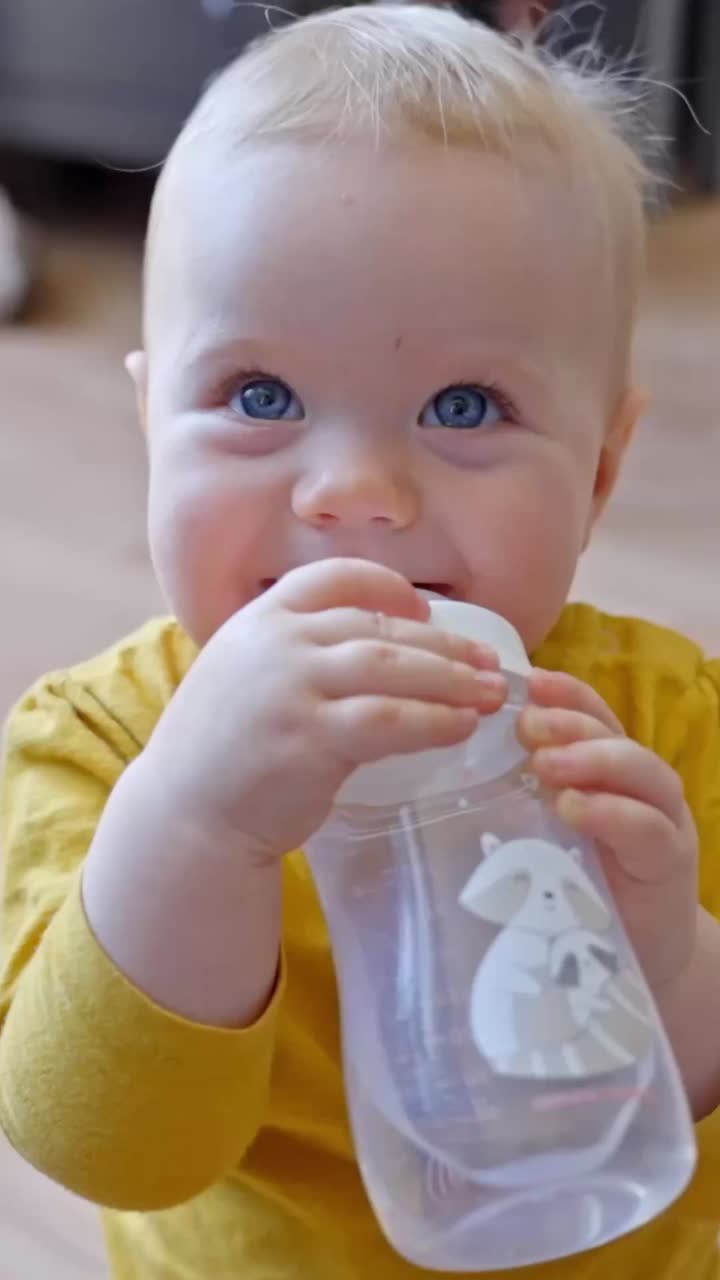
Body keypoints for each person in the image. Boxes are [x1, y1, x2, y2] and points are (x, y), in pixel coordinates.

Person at [1, 6, 719, 1278]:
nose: (359, 491)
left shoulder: (656, 724)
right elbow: (104, 1146)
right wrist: (198, 821)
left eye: (464, 405)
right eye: (258, 396)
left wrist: (669, 958)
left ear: (600, 475)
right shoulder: (104, 743)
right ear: (150, 423)